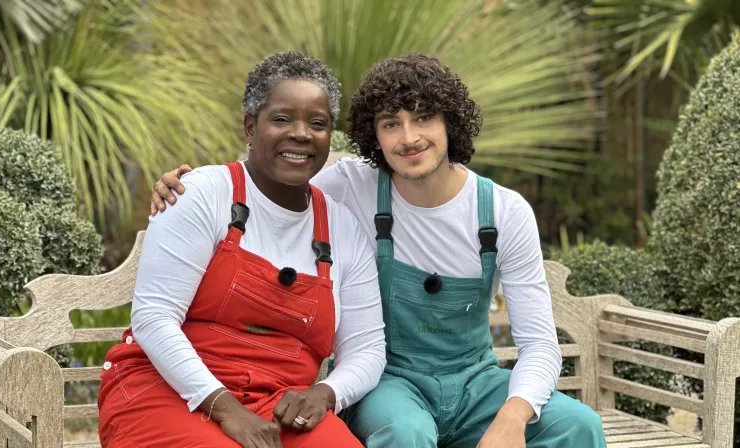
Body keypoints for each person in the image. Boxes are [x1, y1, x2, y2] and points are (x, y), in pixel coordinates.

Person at [150, 53, 607, 447]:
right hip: (391, 385)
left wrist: (512, 417)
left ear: (451, 121)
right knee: (406, 434)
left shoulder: (503, 212)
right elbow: (270, 174)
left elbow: (540, 345)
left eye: (423, 118)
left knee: (579, 426)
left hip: (476, 383)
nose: (409, 138)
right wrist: (184, 187)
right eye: (391, 124)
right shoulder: (351, 187)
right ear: (375, 136)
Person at [98, 52, 386, 448]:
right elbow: (154, 317)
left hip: (280, 404)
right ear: (250, 126)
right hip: (166, 390)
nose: (301, 134)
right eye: (282, 119)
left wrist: (325, 394)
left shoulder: (342, 228)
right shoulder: (203, 193)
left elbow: (367, 348)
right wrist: (226, 408)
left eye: (317, 124)